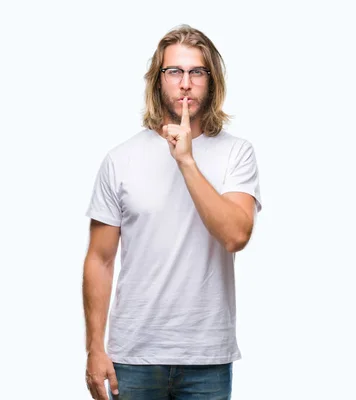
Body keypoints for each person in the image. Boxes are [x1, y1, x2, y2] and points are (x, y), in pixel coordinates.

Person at [82, 24, 262, 400]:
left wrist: (187, 163)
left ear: (211, 81)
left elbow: (236, 235)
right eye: (175, 71)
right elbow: (99, 260)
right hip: (133, 356)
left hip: (206, 358)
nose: (185, 83)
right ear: (158, 80)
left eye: (197, 72)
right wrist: (95, 348)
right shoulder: (120, 159)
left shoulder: (236, 153)